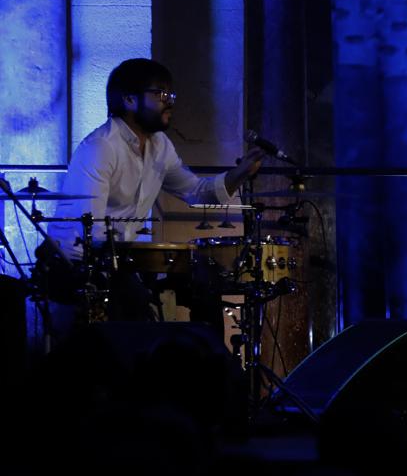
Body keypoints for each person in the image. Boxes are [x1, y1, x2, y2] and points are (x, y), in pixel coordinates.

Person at [40, 58, 265, 323]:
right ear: (129, 100)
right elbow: (90, 233)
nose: (170, 101)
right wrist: (138, 263)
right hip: (72, 264)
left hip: (118, 260)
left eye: (171, 94)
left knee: (207, 282)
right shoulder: (101, 147)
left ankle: (208, 359)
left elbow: (197, 193)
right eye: (160, 94)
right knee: (137, 310)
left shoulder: (160, 146)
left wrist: (240, 173)